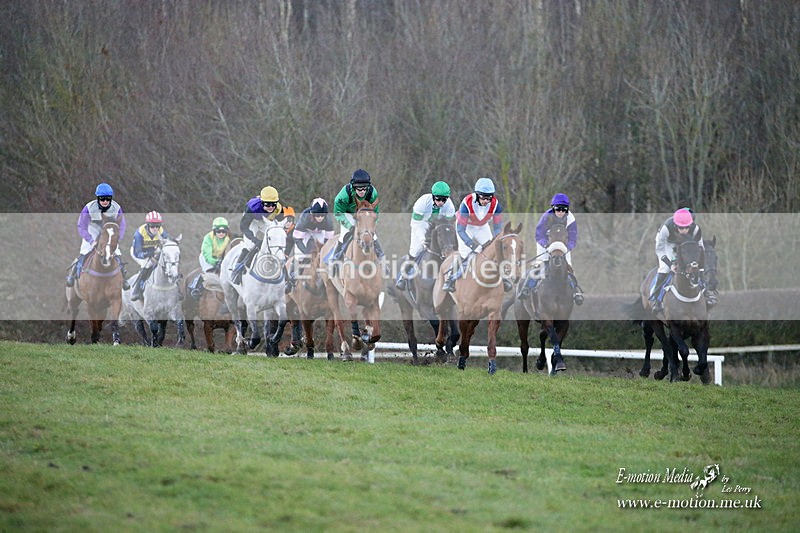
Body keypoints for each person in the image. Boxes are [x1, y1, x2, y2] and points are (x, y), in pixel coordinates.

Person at [442, 177, 508, 293]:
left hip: (482, 226)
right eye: (483, 197)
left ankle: (504, 277)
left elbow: (497, 227)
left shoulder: (496, 204)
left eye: (489, 198)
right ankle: (450, 279)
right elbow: (461, 230)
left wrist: (497, 240)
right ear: (477, 195)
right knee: (465, 253)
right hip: (466, 227)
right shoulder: (467, 203)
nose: (486, 201)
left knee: (494, 248)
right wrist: (472, 245)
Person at [517, 193, 584, 305]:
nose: (561, 212)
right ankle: (526, 288)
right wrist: (546, 245)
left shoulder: (571, 219)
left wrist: (567, 248)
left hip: (563, 247)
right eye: (558, 209)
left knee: (568, 267)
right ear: (553, 208)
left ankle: (575, 291)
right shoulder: (546, 217)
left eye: (564, 209)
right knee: (539, 265)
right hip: (546, 244)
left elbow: (573, 238)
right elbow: (539, 235)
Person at [66, 182, 130, 290]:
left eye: (107, 199)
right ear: (98, 198)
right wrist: (90, 240)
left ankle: (124, 278)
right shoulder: (89, 208)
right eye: (102, 199)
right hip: (93, 230)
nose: (105, 201)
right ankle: (72, 275)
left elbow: (122, 225)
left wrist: (117, 238)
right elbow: (81, 226)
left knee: (117, 252)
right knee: (85, 250)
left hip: (109, 232)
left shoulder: (117, 208)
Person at [395, 181, 456, 291]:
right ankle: (403, 277)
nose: (441, 202)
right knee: (416, 250)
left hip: (437, 225)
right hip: (421, 224)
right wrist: (423, 239)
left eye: (444, 200)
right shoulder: (422, 202)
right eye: (438, 199)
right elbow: (417, 224)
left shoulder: (450, 206)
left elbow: (446, 225)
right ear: (433, 196)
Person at [650, 208, 711, 314]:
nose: (684, 230)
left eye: (687, 227)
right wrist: (670, 265)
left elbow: (701, 248)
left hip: (686, 244)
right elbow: (659, 250)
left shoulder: (695, 229)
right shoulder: (666, 228)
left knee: (696, 267)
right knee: (665, 268)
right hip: (667, 244)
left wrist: (699, 265)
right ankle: (656, 299)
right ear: (675, 225)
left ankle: (707, 294)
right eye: (681, 227)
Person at [329, 169, 385, 268]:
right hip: (348, 214)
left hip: (365, 214)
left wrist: (372, 225)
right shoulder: (343, 196)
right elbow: (338, 213)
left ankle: (382, 258)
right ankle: (335, 258)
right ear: (354, 187)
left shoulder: (372, 193)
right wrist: (349, 226)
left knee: (373, 235)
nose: (362, 191)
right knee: (344, 235)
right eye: (359, 189)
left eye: (365, 189)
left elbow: (375, 213)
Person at [230, 186, 284, 284]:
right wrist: (255, 240)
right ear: (262, 202)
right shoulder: (252, 208)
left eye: (273, 204)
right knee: (250, 246)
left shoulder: (279, 209)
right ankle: (237, 270)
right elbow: (244, 227)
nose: (271, 207)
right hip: (252, 221)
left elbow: (278, 227)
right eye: (267, 204)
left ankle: (283, 271)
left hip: (266, 221)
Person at [286, 198, 335, 293]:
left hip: (320, 232)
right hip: (305, 232)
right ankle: (290, 280)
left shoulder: (328, 221)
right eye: (317, 215)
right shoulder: (305, 218)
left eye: (322, 215)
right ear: (312, 214)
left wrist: (323, 252)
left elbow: (329, 241)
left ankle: (330, 276)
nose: (320, 217)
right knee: (299, 254)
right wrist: (306, 253)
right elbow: (297, 239)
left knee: (327, 255)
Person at [129, 211, 174, 301]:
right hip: (139, 252)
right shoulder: (139, 233)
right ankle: (137, 290)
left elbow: (168, 240)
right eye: (152, 225)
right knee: (147, 264)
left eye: (157, 225)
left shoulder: (160, 230)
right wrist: (148, 254)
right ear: (147, 225)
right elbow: (138, 253)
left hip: (153, 249)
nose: (155, 228)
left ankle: (175, 288)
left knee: (167, 260)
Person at [188, 217, 231, 300]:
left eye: (223, 231)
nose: (221, 233)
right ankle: (197, 289)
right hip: (206, 257)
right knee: (209, 272)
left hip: (219, 258)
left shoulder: (227, 239)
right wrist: (215, 262)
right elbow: (207, 254)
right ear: (214, 231)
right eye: (218, 231)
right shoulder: (208, 238)